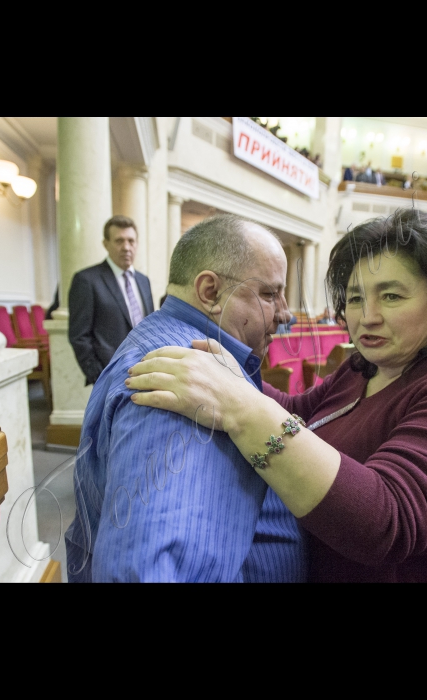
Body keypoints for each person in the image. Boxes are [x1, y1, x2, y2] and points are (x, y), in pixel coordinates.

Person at [128, 208, 427, 583]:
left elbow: (385, 524)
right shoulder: (364, 367)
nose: (368, 316)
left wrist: (241, 405)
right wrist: (222, 373)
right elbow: (302, 413)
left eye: (392, 296)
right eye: (356, 297)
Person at [65, 215, 305, 583]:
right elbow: (145, 572)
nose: (284, 314)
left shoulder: (180, 348)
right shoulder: (187, 385)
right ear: (210, 292)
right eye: (270, 295)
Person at [69, 216, 154, 386]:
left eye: (131, 241)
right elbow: (79, 336)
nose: (126, 247)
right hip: (110, 376)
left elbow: (150, 326)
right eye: (119, 241)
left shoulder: (144, 281)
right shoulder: (87, 280)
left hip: (146, 372)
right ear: (106, 244)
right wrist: (99, 376)